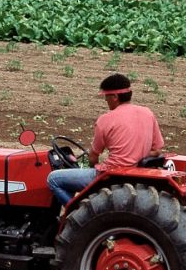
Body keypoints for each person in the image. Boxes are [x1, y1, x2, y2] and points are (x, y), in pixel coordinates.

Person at [47, 73, 165, 207]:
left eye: (106, 96)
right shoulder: (147, 113)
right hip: (136, 173)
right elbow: (157, 150)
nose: (105, 100)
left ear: (114, 97)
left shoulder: (106, 119)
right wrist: (137, 155)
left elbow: (93, 157)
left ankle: (75, 212)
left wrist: (93, 171)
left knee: (53, 179)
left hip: (111, 175)